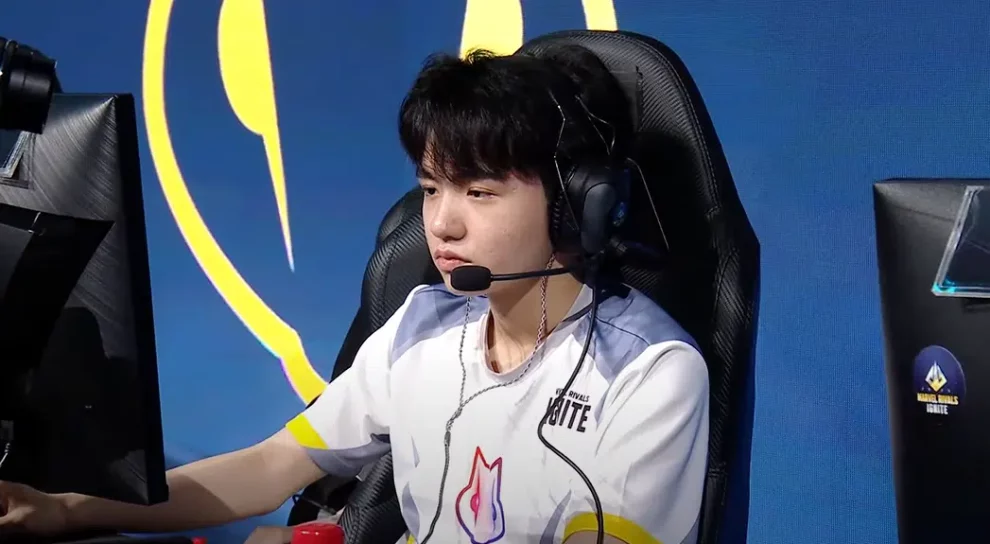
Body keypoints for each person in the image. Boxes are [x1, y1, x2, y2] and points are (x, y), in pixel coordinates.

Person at [0, 44, 709, 544]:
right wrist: (69, 511)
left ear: (576, 208)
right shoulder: (422, 328)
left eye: (479, 192)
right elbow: (270, 468)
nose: (441, 222)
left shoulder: (651, 374)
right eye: (431, 187)